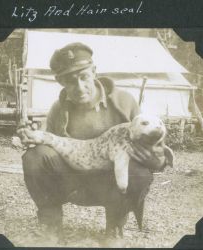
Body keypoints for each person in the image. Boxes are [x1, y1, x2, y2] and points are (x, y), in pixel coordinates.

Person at [21, 42, 167, 235]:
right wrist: (28, 136)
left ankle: (115, 227)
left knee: (138, 169)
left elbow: (158, 152)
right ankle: (50, 223)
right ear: (60, 82)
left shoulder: (125, 102)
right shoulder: (58, 109)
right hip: (72, 181)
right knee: (34, 156)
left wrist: (154, 160)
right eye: (70, 81)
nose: (79, 87)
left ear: (94, 72)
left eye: (84, 77)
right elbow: (44, 145)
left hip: (111, 183)